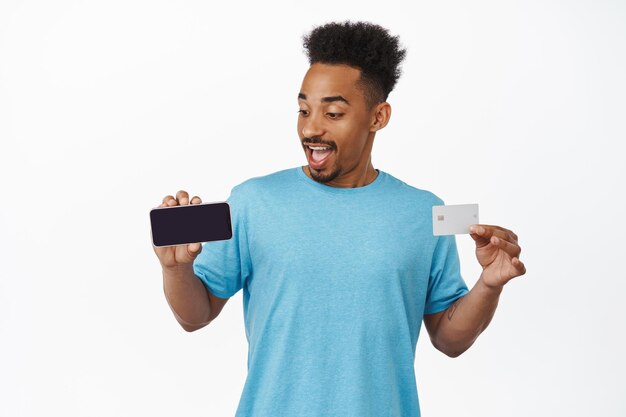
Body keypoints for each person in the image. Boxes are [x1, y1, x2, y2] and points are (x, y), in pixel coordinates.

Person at [152, 20, 526, 417]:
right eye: (303, 110)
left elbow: (449, 339)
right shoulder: (253, 202)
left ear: (378, 117)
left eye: (332, 112)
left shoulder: (425, 213)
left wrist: (488, 285)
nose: (311, 128)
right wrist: (175, 270)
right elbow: (196, 316)